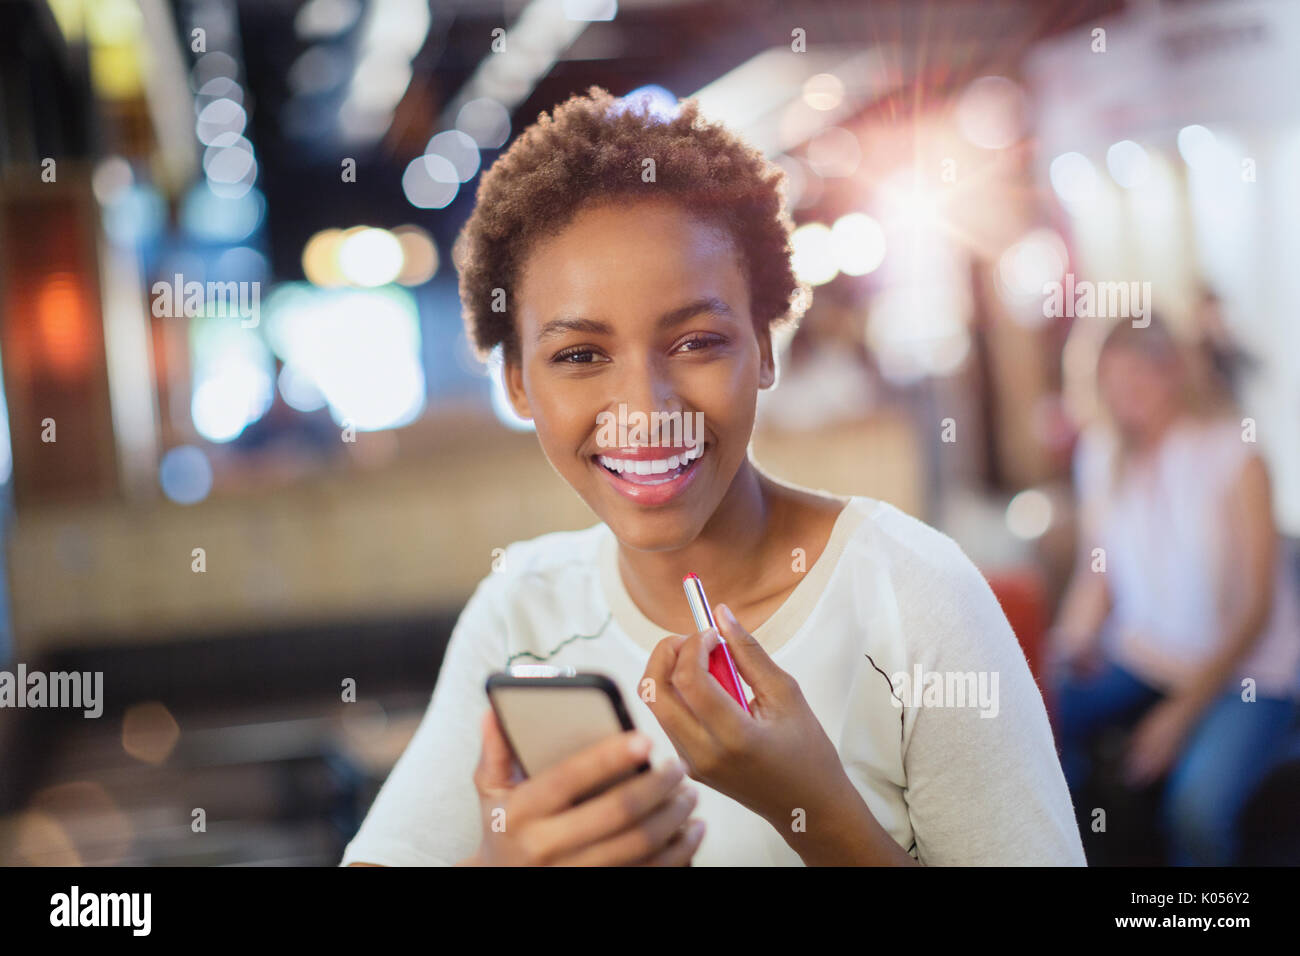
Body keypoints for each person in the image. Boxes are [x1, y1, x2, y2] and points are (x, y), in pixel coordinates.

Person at [341, 87, 1085, 866]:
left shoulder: (914, 594)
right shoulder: (521, 610)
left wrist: (816, 812)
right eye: (581, 356)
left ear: (765, 348)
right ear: (520, 385)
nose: (644, 408)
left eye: (697, 342)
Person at [1049, 316, 1300, 865]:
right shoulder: (1102, 452)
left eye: (1139, 378)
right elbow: (1098, 575)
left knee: (1196, 810)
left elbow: (1255, 610)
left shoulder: (1235, 454)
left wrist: (1179, 715)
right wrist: (1071, 644)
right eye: (1112, 385)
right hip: (1148, 653)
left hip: (1246, 672)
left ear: (1172, 371)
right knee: (1039, 703)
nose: (1126, 398)